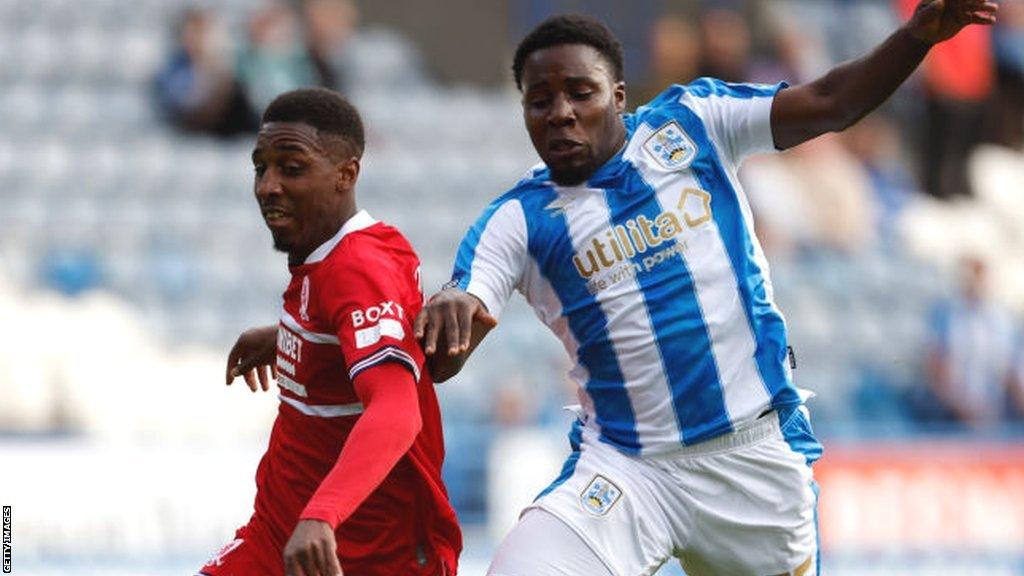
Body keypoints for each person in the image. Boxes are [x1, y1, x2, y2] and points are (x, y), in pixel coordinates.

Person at [414, 3, 997, 575]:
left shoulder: (692, 123)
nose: (560, 113)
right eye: (539, 101)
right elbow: (470, 295)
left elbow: (830, 103)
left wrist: (916, 38)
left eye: (579, 93)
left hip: (752, 458)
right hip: (627, 468)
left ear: (618, 95)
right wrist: (455, 308)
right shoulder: (519, 217)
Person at [198, 88, 460, 576]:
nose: (267, 186)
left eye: (291, 168)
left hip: (360, 556)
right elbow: (352, 329)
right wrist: (288, 338)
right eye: (261, 168)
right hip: (277, 537)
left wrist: (323, 515)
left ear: (347, 174)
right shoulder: (345, 253)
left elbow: (397, 411)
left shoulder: (357, 270)